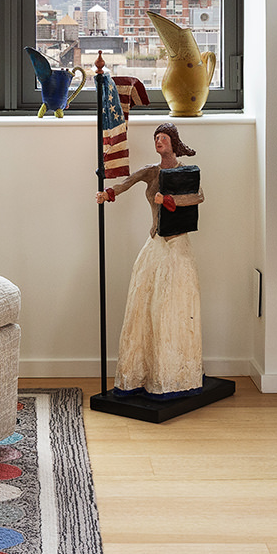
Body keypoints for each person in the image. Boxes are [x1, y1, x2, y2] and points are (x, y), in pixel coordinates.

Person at [93, 122, 204, 395]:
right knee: (145, 305)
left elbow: (198, 197)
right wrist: (108, 194)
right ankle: (141, 374)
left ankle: (174, 377)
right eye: (156, 138)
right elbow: (126, 182)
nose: (158, 142)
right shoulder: (151, 172)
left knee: (170, 307)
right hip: (155, 242)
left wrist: (170, 201)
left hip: (176, 245)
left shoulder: (185, 173)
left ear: (173, 142)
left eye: (163, 138)